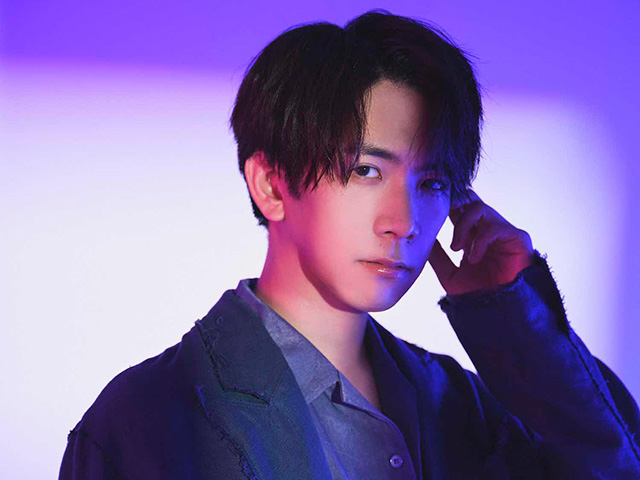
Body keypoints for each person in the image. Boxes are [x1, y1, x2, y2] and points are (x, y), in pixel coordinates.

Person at [59, 10, 640, 479]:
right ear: (271, 184)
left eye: (432, 183)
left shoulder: (462, 408)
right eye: (366, 171)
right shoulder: (145, 421)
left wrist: (517, 322)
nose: (404, 221)